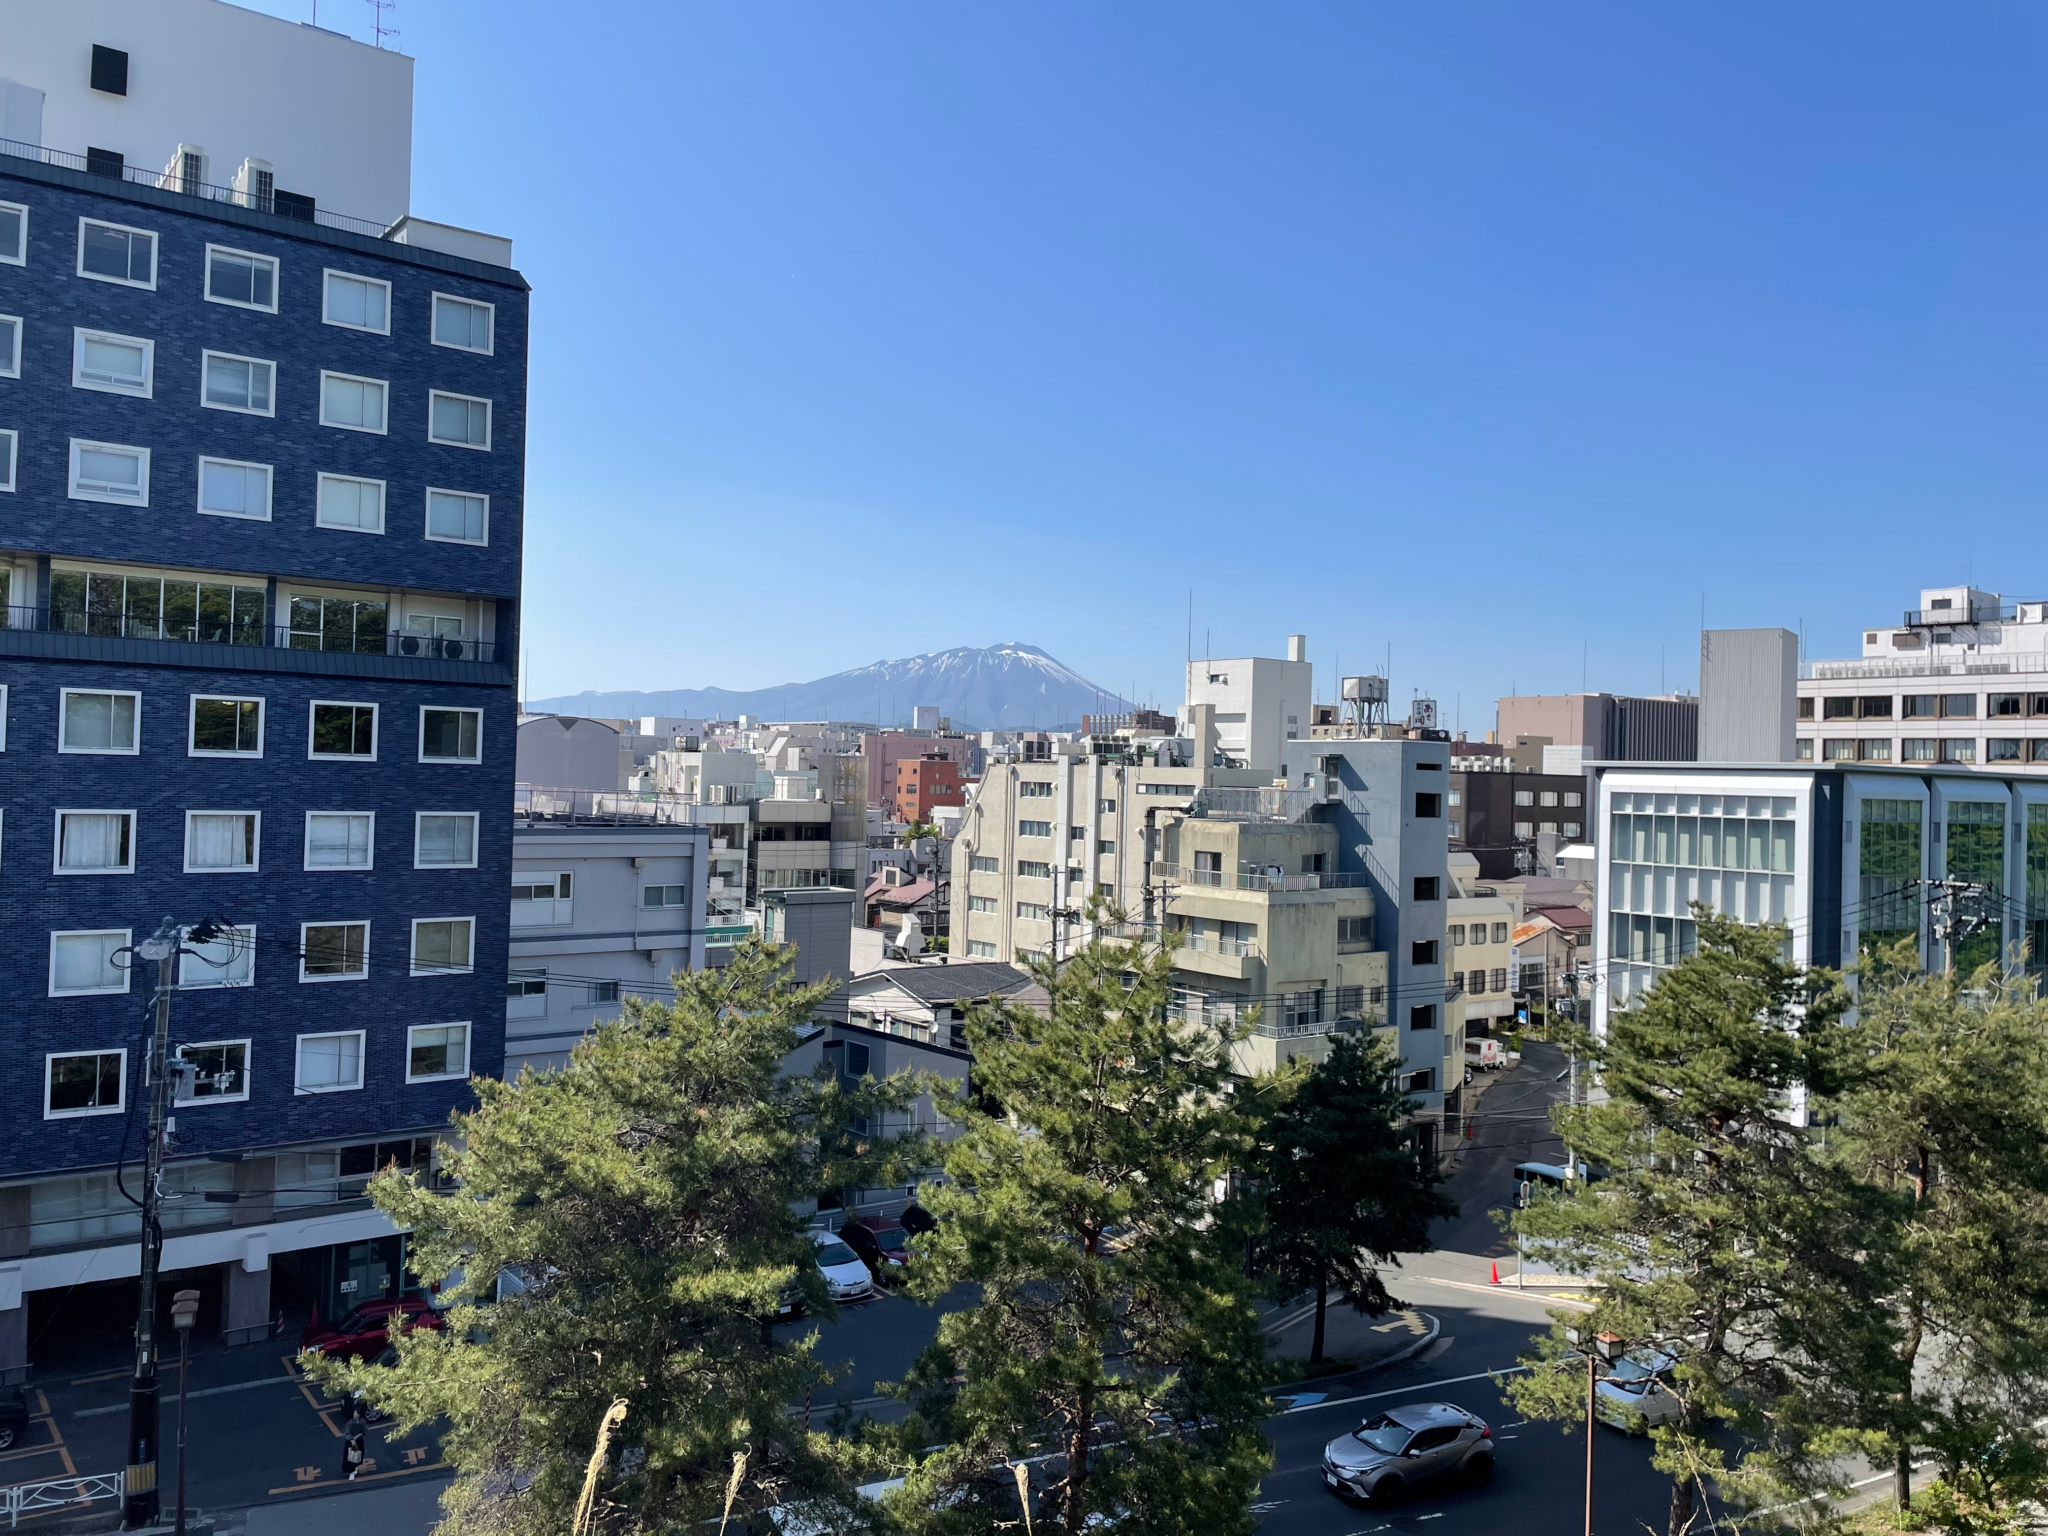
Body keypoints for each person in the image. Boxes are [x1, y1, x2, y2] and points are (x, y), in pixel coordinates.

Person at [342, 1409, 368, 1480]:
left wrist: (358, 1436)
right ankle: (349, 1471)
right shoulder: (349, 1423)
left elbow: (365, 1430)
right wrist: (352, 1440)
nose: (356, 1415)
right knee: (349, 1457)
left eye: (357, 1413)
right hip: (350, 1443)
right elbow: (347, 1434)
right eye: (355, 1413)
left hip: (359, 1442)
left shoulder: (362, 1421)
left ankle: (354, 1469)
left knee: (357, 1456)